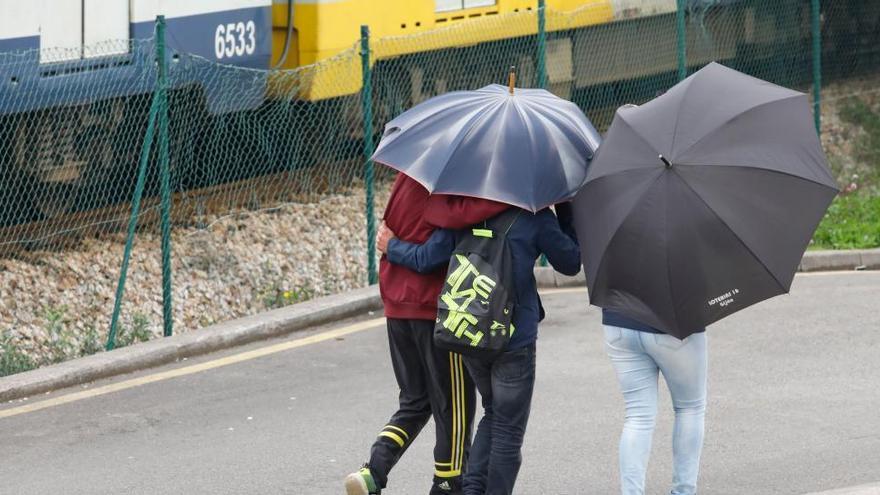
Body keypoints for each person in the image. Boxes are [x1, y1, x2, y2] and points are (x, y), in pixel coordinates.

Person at [377, 203, 580, 495]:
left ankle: (472, 490)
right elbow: (571, 262)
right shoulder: (535, 218)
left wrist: (392, 246)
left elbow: (425, 258)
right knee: (508, 432)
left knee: (493, 412)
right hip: (514, 339)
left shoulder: (463, 211)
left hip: (471, 334)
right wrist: (566, 210)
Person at [345, 173, 508, 495]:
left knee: (415, 400)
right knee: (455, 405)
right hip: (436, 310)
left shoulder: (405, 179)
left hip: (397, 306)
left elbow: (386, 236)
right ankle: (448, 482)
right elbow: (433, 254)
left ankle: (374, 469)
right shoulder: (450, 186)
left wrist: (391, 246)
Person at [602, 309, 708, 495]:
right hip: (675, 323)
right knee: (690, 408)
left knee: (637, 416)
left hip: (618, 322)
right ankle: (683, 491)